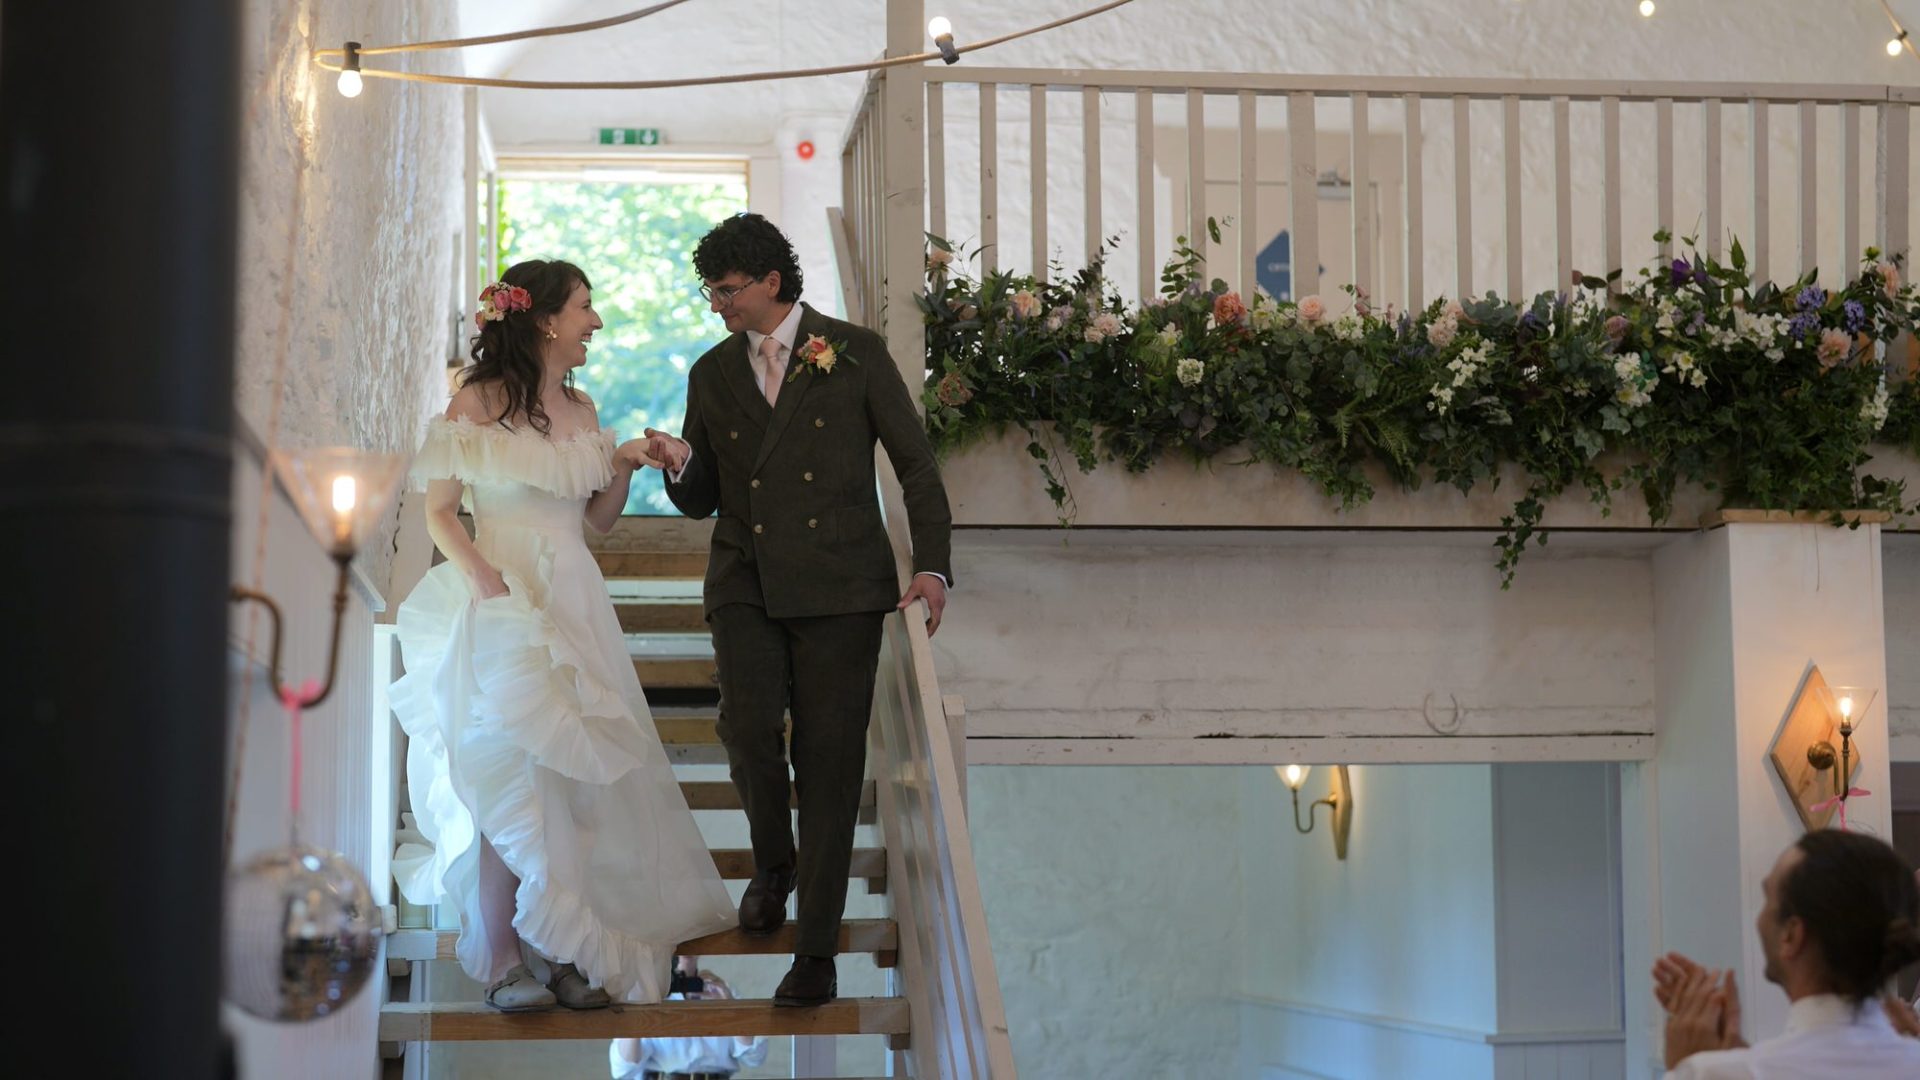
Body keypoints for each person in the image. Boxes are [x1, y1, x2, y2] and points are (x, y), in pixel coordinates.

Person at [390, 259, 735, 1011]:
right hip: (503, 598)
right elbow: (440, 512)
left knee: (570, 788)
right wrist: (483, 577)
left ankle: (566, 948)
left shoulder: (582, 409)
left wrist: (632, 462)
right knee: (508, 780)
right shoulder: (474, 402)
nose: (596, 322)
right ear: (545, 318)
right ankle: (507, 959)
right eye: (586, 307)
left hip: (574, 601)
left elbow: (594, 524)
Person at [645, 213, 953, 1007]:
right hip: (746, 578)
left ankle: (815, 952)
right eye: (710, 290)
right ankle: (773, 862)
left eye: (727, 289)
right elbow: (702, 496)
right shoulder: (711, 373)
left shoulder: (855, 352)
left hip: (843, 589)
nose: (717, 304)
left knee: (828, 766)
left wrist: (933, 569)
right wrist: (678, 466)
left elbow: (915, 466)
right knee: (745, 730)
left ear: (771, 282)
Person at [1652, 829, 1920, 1077]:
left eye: (1767, 898)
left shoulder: (1715, 1072)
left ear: (1791, 935)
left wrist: (1690, 1067)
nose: (1759, 919)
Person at [609, 957, 769, 1079]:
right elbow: (622, 1068)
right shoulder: (647, 996)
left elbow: (755, 1057)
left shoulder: (722, 992)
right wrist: (639, 1010)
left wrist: (729, 1006)